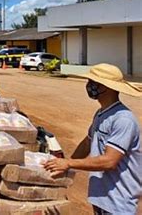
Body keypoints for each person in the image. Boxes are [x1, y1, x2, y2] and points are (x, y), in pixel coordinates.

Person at [43, 63, 141, 214]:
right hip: (101, 199)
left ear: (106, 87)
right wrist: (63, 165)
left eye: (92, 82)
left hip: (118, 203)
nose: (88, 86)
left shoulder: (123, 120)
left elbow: (110, 161)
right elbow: (88, 142)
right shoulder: (101, 114)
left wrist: (68, 163)